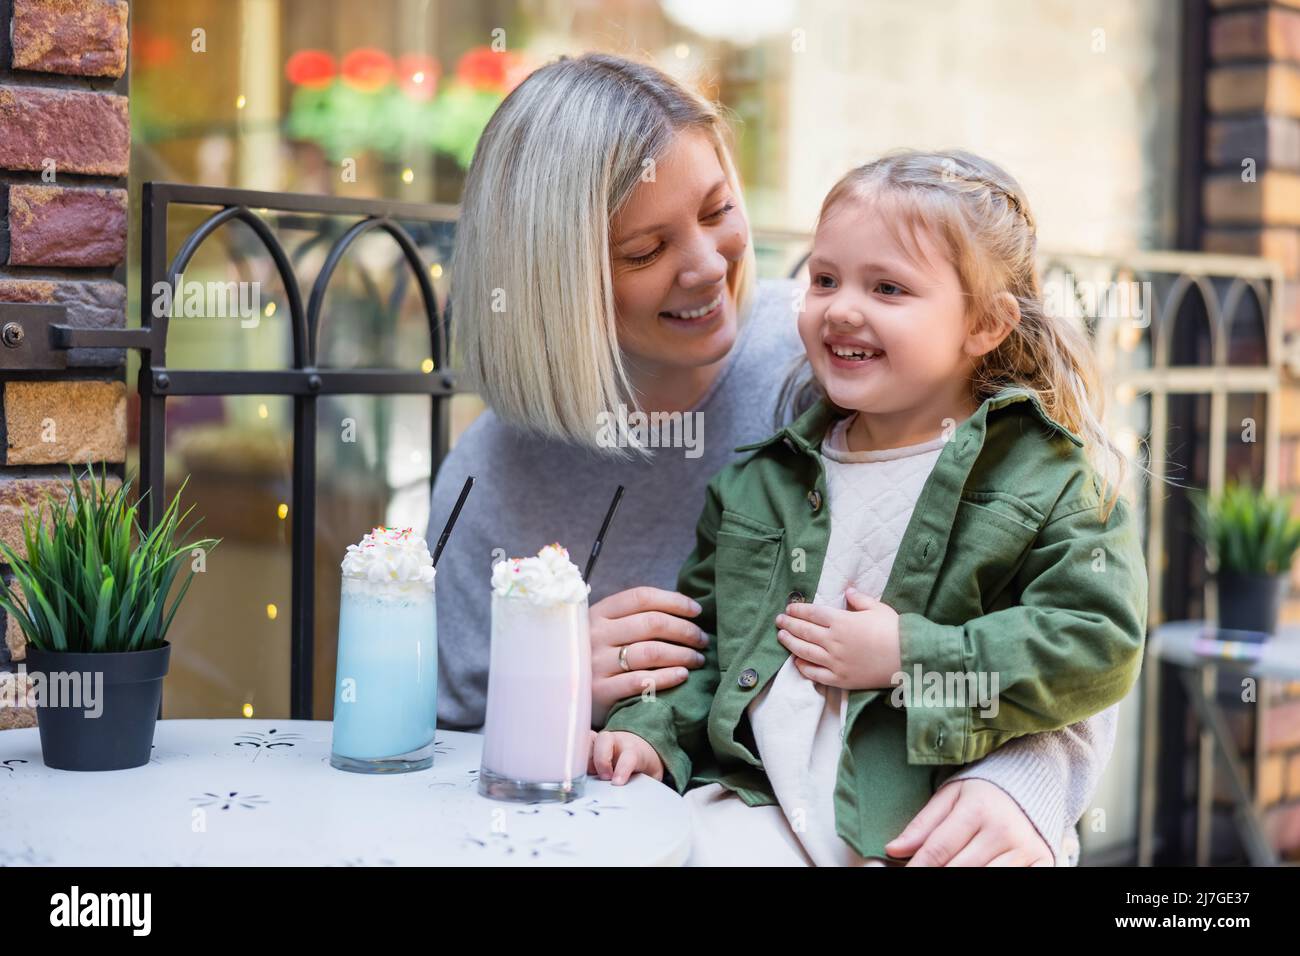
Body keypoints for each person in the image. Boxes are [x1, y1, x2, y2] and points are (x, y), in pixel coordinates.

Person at [431, 53, 1122, 865]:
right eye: (646, 249)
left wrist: (1025, 786)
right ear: (553, 280)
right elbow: (442, 745)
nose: (706, 265)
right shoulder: (488, 473)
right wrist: (551, 679)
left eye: (719, 210)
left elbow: (1070, 615)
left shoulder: (835, 367)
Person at [590, 148, 1147, 866]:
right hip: (758, 809)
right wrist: (649, 734)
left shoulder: (1051, 481)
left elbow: (1096, 645)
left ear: (985, 324)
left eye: (887, 288)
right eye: (824, 279)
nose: (841, 307)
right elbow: (706, 656)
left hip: (925, 824)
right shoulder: (760, 483)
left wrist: (909, 656)